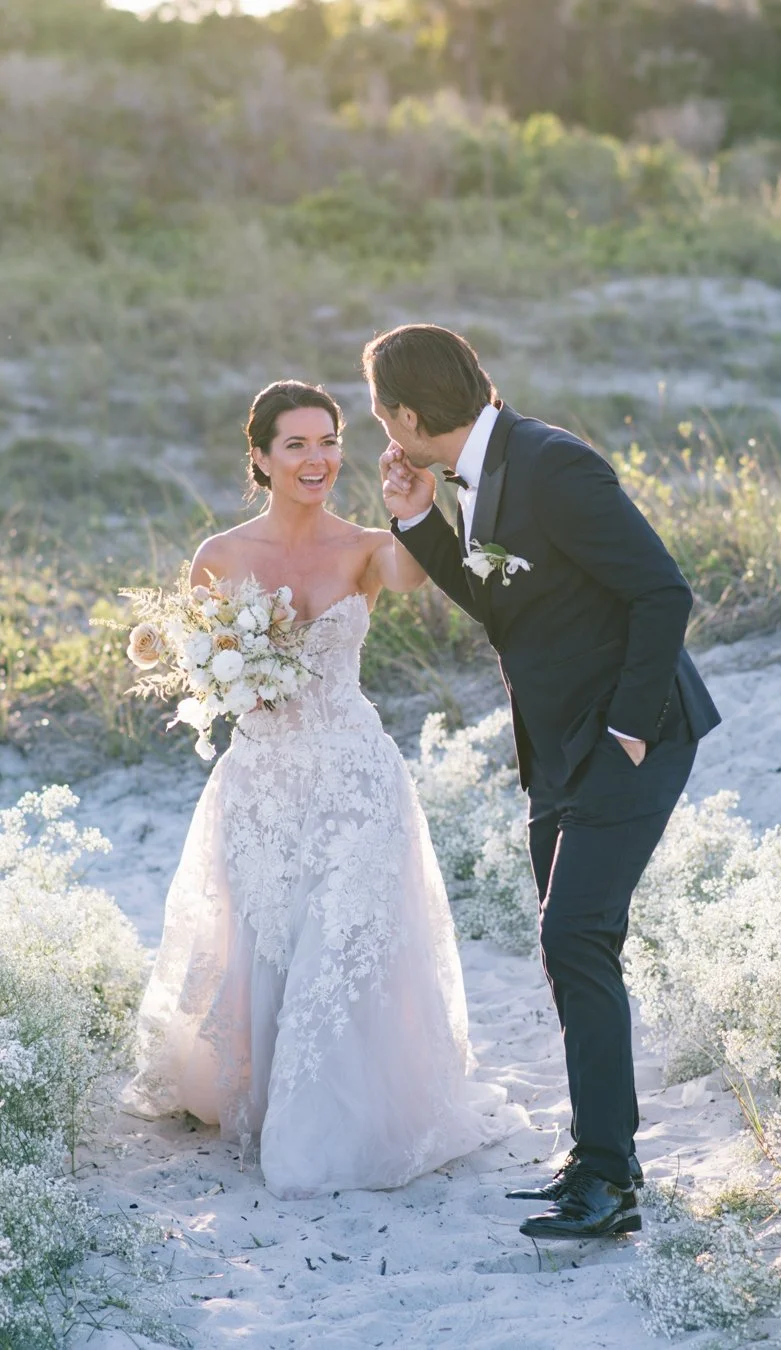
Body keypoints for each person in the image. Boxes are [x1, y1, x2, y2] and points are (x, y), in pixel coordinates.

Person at [368, 325, 721, 1239]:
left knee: (575, 936)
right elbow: (502, 602)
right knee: (571, 950)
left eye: (377, 407)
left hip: (629, 737)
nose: (378, 423)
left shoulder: (553, 464)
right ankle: (598, 1158)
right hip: (556, 747)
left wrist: (631, 731)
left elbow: (662, 592)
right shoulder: (481, 471)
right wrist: (416, 521)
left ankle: (607, 1182)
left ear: (406, 415)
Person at [123, 379, 517, 1198]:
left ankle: (330, 1132)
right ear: (261, 458)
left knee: (342, 945)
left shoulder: (372, 546)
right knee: (268, 946)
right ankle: (262, 1097)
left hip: (355, 780)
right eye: (296, 444)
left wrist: (412, 501)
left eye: (329, 440)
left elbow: (423, 574)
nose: (318, 458)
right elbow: (182, 652)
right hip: (260, 784)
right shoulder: (221, 556)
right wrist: (162, 648)